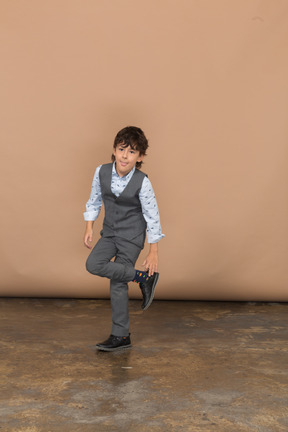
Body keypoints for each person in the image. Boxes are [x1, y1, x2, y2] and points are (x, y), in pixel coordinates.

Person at [83, 126, 165, 352]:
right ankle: (142, 278)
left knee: (118, 280)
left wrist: (153, 251)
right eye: (122, 149)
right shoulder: (101, 172)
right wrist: (89, 227)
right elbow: (94, 200)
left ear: (140, 157)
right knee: (93, 264)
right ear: (114, 149)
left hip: (131, 236)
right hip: (109, 232)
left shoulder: (142, 182)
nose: (125, 156)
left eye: (131, 152)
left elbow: (152, 216)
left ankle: (120, 336)